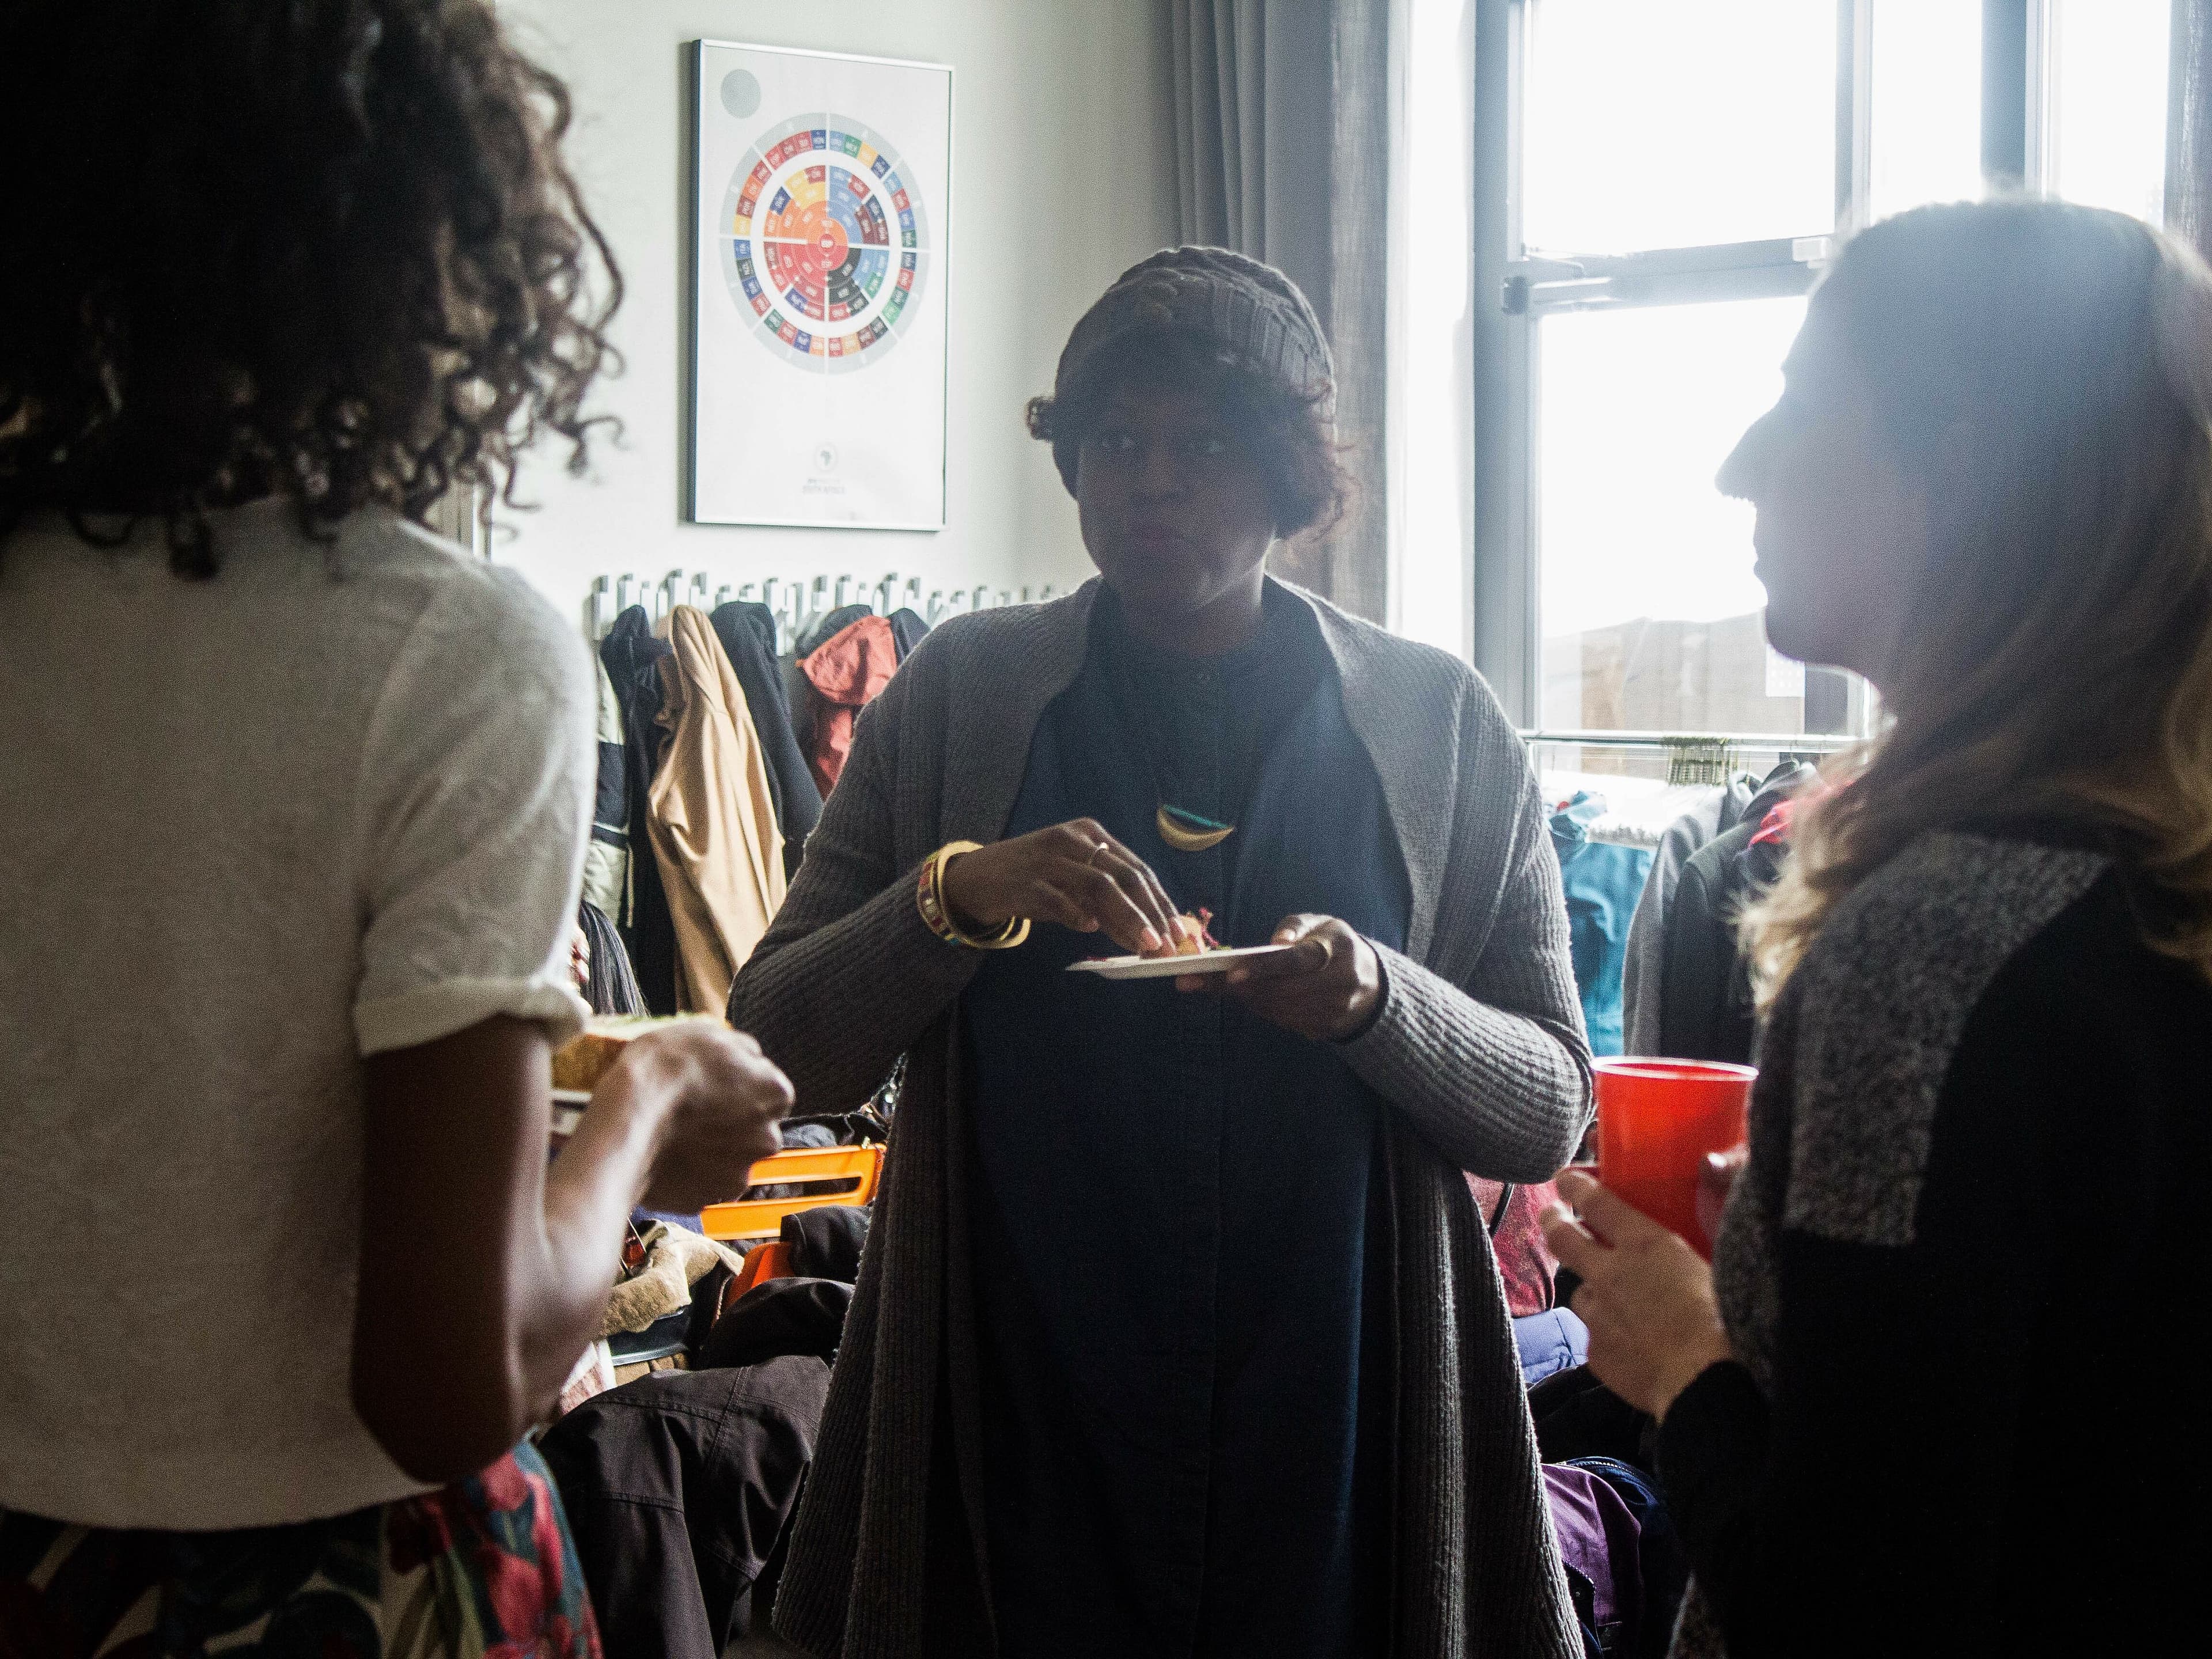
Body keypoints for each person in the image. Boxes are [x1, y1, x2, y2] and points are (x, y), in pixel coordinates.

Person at [0, 3, 792, 1652]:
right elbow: (449, 1382)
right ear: (430, 245)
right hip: (334, 1588)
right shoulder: (447, 653)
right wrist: (644, 1098)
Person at [732, 247, 1594, 1658]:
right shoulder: (965, 695)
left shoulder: (1435, 725)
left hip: (1340, 1397)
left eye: (1201, 443)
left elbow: (1555, 1099)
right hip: (1014, 1381)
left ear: (1286, 473)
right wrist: (956, 894)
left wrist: (1383, 1002)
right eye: (1116, 441)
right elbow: (775, 1041)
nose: (1151, 481)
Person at [1541, 199, 2212, 1656]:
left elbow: (1843, 1610)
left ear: (1958, 465)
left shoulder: (1938, 946)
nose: (1737, 468)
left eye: (1797, 406)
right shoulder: (2151, 882)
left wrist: (1688, 1357)